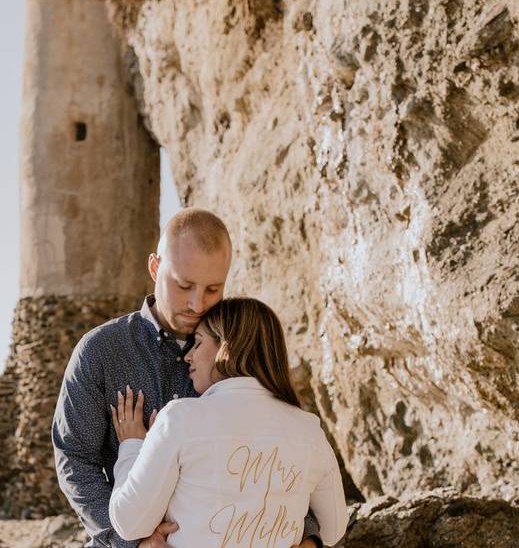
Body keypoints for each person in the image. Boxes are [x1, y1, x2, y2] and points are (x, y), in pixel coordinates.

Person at [52, 209, 324, 548]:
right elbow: (76, 458)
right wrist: (130, 541)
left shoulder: (240, 352)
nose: (198, 303)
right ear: (155, 268)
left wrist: (308, 534)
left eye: (213, 288)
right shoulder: (101, 351)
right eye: (184, 285)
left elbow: (284, 449)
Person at [108, 297, 348, 547]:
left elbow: (128, 522)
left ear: (225, 347)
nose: (189, 356)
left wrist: (132, 445)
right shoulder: (309, 429)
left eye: (198, 343)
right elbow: (333, 529)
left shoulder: (180, 418)